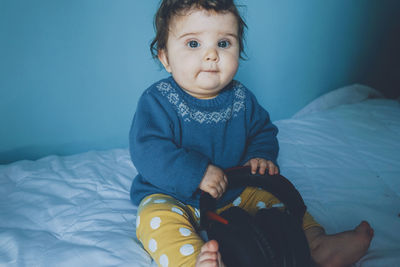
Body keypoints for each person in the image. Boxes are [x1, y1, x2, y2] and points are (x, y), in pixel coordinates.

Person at [129, 0, 374, 266]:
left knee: (279, 200)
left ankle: (316, 243)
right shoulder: (158, 100)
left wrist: (260, 155)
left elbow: (262, 131)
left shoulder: (241, 98)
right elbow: (148, 149)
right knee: (155, 220)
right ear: (165, 58)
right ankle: (194, 261)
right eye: (193, 43)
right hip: (172, 194)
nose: (211, 55)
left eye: (223, 43)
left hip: (233, 190)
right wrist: (196, 173)